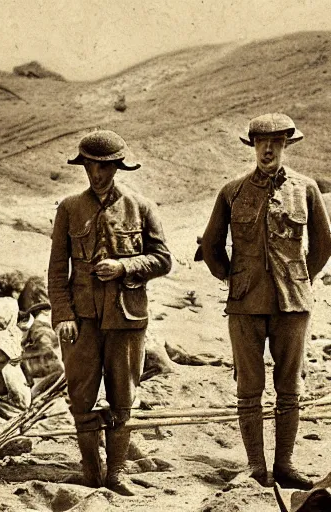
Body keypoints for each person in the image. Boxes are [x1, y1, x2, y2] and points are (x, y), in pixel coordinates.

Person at [200, 113, 331, 490]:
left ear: (287, 145)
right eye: (260, 142)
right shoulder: (232, 191)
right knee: (249, 388)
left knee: (290, 387)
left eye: (276, 142)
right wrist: (232, 277)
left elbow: (323, 246)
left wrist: (298, 276)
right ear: (252, 145)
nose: (268, 149)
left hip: (293, 305)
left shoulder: (306, 189)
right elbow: (211, 246)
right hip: (244, 306)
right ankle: (256, 467)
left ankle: (285, 465)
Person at [48, 129, 172, 495]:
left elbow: (163, 259)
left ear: (117, 167)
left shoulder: (141, 207)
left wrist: (124, 267)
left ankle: (116, 473)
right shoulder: (69, 208)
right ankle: (90, 471)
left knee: (123, 398)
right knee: (81, 398)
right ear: (83, 165)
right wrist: (63, 316)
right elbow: (57, 271)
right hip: (81, 322)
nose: (97, 174)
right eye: (90, 165)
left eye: (104, 167)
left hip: (126, 319)